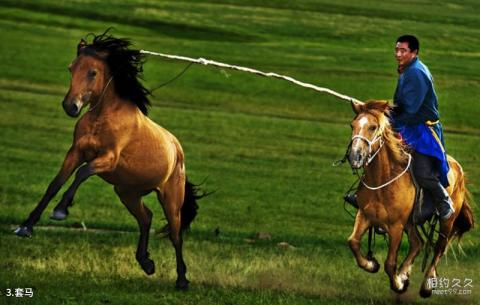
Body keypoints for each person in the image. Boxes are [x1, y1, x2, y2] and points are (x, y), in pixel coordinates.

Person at [345, 35, 454, 222]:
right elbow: (402, 105)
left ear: (414, 52)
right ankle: (366, 195)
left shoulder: (417, 73)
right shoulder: (407, 70)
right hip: (408, 125)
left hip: (422, 131)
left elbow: (411, 111)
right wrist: (379, 110)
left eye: (403, 51)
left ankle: (443, 201)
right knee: (379, 153)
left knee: (421, 170)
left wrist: (386, 119)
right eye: (396, 50)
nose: (398, 54)